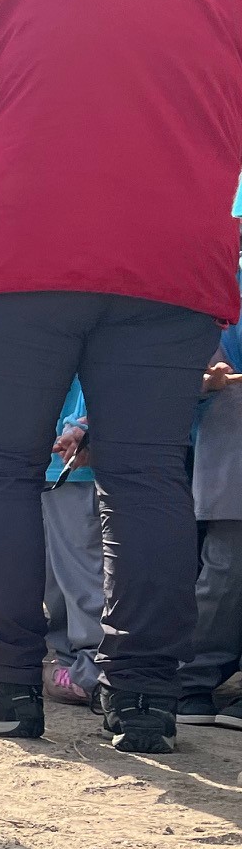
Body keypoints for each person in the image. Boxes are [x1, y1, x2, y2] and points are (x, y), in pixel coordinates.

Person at [0, 0, 242, 753]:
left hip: (21, 248)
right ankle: (142, 700)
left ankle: (3, 688)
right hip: (175, 257)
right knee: (146, 477)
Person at [181, 267, 242, 728]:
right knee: (222, 576)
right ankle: (192, 682)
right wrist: (205, 380)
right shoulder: (221, 287)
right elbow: (188, 375)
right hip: (231, 448)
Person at [42, 382, 105, 706]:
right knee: (58, 576)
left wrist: (81, 424)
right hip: (55, 463)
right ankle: (70, 664)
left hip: (77, 459)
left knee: (81, 573)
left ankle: (90, 674)